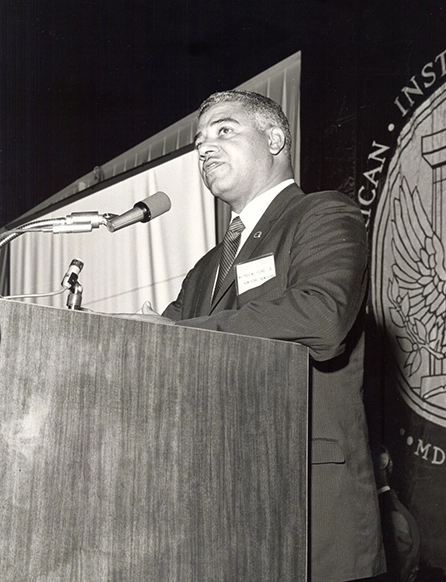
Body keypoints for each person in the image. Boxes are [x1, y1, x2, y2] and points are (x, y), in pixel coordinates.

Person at [144, 90, 386, 581]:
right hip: (219, 513)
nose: (204, 148)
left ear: (274, 139)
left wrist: (176, 333)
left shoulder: (323, 214)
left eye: (224, 130)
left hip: (307, 502)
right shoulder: (204, 271)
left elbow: (321, 318)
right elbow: (161, 348)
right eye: (199, 142)